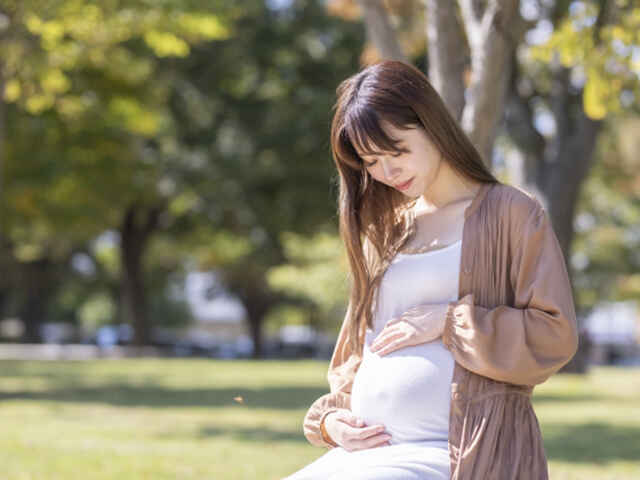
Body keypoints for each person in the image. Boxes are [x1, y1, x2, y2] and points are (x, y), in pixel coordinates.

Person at [283, 60, 578, 480]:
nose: (387, 172)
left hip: (458, 452)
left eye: (397, 150)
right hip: (367, 453)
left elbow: (554, 335)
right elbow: (357, 348)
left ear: (431, 124)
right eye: (370, 161)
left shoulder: (510, 213)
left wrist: (449, 321)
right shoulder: (385, 229)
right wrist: (332, 421)